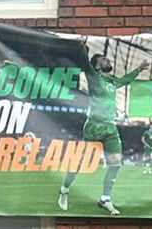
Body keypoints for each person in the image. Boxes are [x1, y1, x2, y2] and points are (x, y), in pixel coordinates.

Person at [58, 47, 146, 216]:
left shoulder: (112, 82)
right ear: (97, 67)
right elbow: (85, 64)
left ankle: (105, 199)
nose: (108, 61)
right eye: (104, 60)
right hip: (94, 127)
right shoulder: (94, 78)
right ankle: (64, 189)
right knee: (80, 163)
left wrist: (139, 69)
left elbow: (125, 80)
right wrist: (83, 51)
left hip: (110, 127)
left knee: (115, 164)